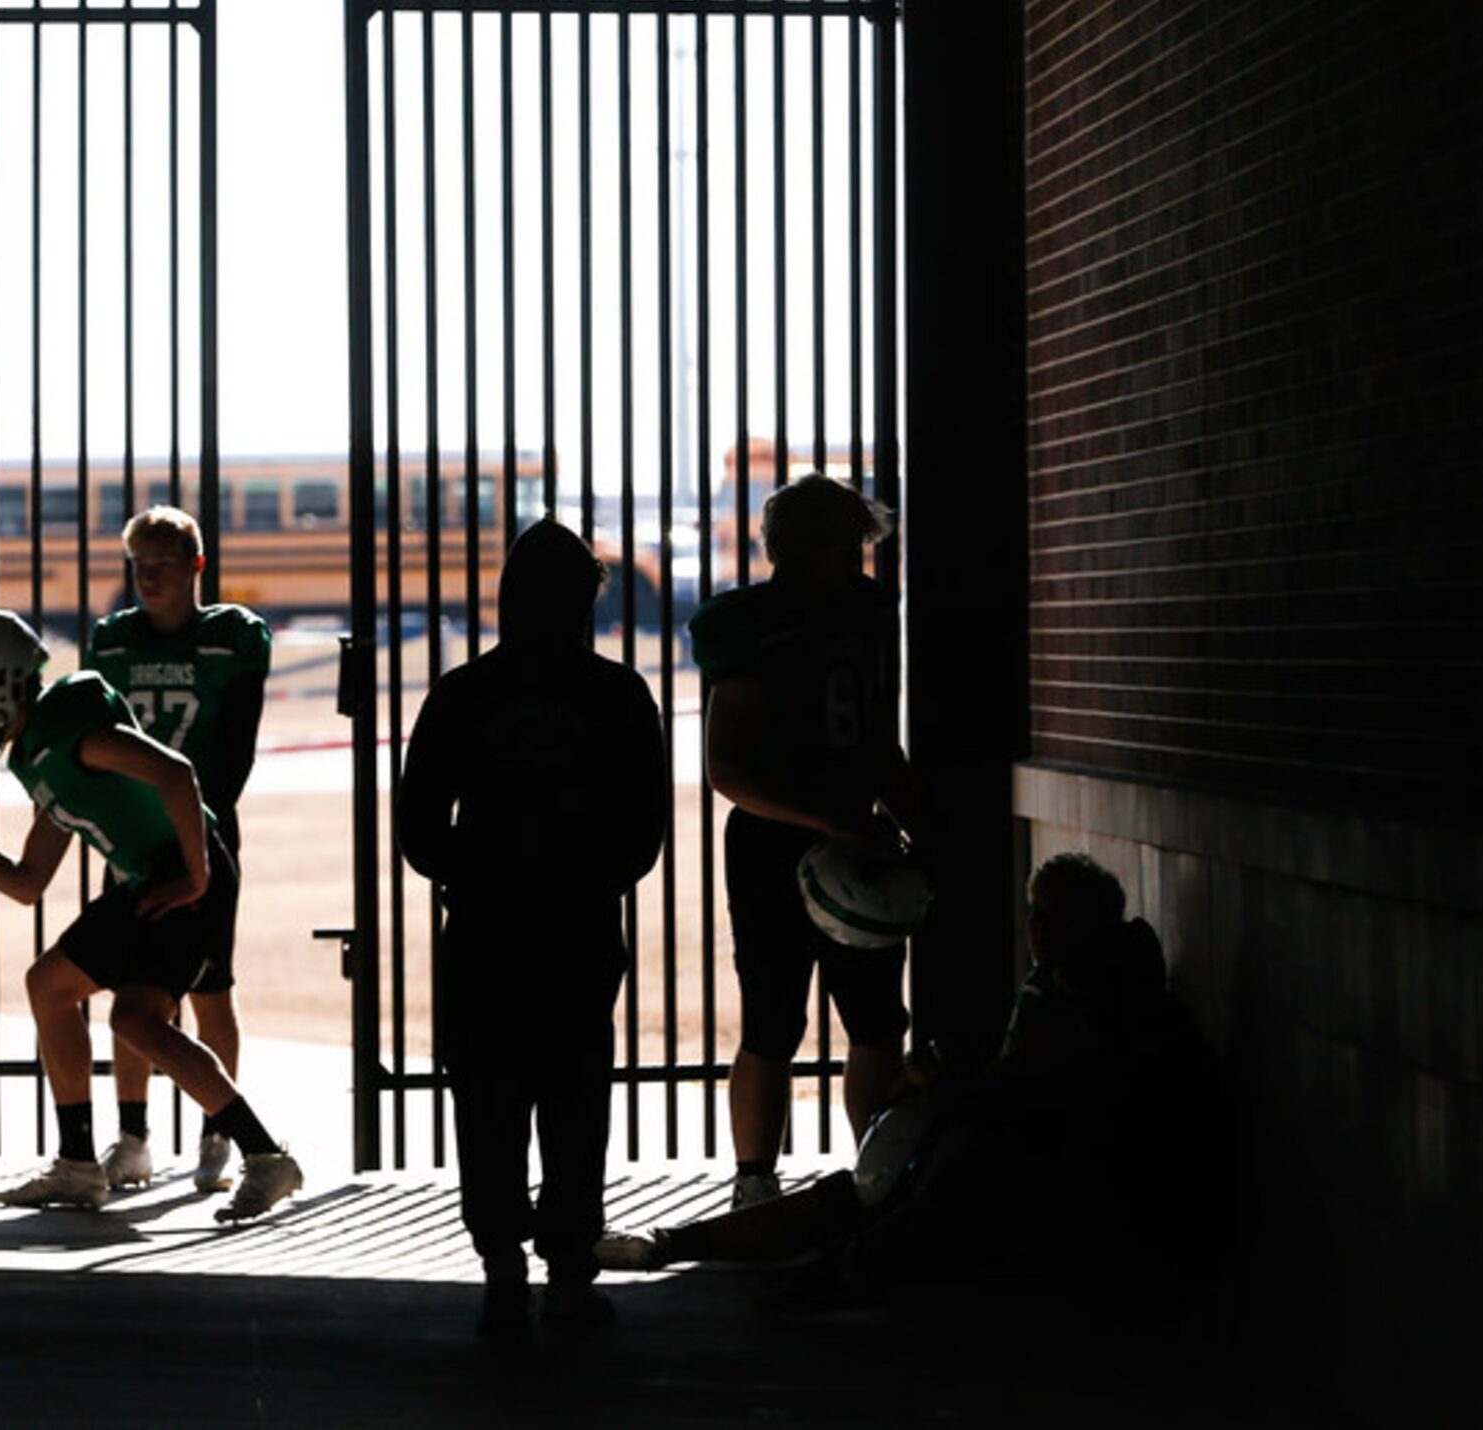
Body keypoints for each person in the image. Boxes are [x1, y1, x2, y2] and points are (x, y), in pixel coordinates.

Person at [596, 851, 1221, 1314]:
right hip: (1047, 1158)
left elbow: (1044, 1099)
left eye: (1053, 916)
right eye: (1034, 913)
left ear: (1093, 922)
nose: (1038, 929)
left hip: (1066, 1182)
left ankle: (751, 1257)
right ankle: (688, 1246)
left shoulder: (1094, 998)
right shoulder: (1084, 982)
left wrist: (941, 1084)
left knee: (882, 1191)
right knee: (865, 1189)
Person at [0, 609, 303, 1223]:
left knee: (135, 1019)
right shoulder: (40, 750)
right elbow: (27, 881)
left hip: (181, 872)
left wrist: (196, 876)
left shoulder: (72, 727)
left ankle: (262, 1155)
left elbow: (178, 775)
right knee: (59, 989)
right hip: (150, 879)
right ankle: (78, 1165)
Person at [399, 519, 669, 1339]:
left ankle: (501, 1269)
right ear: (585, 600)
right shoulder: (620, 694)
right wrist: (582, 878)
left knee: (486, 1095)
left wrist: (477, 873)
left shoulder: (461, 693)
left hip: (483, 929)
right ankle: (569, 1273)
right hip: (579, 927)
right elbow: (644, 830)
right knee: (575, 1094)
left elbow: (418, 829)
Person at [686, 473, 918, 1211]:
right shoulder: (772, 627)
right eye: (849, 545)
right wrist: (830, 817)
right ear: (815, 547)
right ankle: (760, 1177)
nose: (859, 560)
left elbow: (880, 740)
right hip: (783, 834)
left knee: (874, 1019)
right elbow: (727, 767)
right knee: (775, 1017)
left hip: (840, 825)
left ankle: (872, 1172)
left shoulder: (858, 617)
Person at [83, 505, 272, 1194]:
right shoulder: (114, 642)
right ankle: (132, 1137)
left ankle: (217, 1128)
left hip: (205, 834)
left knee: (210, 989)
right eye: (139, 566)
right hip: (133, 841)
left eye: (163, 565)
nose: (149, 578)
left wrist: (197, 830)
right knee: (130, 992)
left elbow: (237, 752)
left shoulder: (231, 638)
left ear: (196, 566)